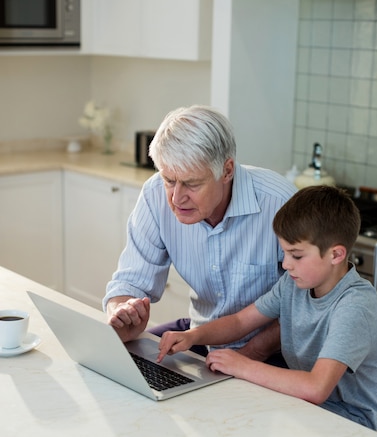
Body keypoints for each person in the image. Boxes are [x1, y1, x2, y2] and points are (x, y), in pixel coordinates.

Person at [157, 185, 377, 430]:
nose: (286, 264)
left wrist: (243, 365)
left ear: (336, 255)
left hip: (347, 423)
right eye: (284, 253)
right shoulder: (293, 284)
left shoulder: (355, 306)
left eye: (296, 256)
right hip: (301, 408)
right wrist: (193, 336)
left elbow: (316, 387)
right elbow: (240, 322)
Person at [104, 105, 296, 360]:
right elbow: (130, 282)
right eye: (169, 180)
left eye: (192, 184)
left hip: (273, 350)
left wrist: (249, 355)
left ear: (227, 171)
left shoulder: (280, 203)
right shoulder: (154, 195)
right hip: (199, 335)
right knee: (116, 361)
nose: (176, 197)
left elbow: (305, 306)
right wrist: (122, 312)